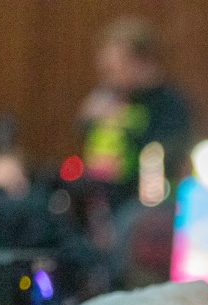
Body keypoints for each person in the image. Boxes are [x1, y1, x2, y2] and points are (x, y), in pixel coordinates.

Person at [79, 16, 192, 201]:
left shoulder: (169, 103)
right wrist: (88, 119)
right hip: (100, 194)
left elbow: (165, 157)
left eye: (114, 69)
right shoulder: (107, 98)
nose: (107, 78)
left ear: (141, 63)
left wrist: (119, 124)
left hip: (147, 199)